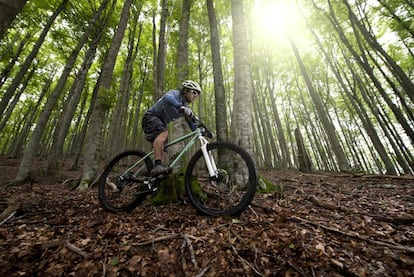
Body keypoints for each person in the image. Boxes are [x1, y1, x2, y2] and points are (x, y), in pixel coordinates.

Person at [142, 80, 202, 176]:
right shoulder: (175, 94)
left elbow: (191, 123)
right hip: (151, 116)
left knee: (165, 149)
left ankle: (157, 172)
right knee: (163, 133)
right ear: (186, 90)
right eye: (194, 92)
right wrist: (180, 106)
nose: (195, 96)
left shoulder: (185, 106)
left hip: (161, 122)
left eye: (197, 95)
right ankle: (157, 164)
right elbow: (167, 97)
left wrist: (199, 131)